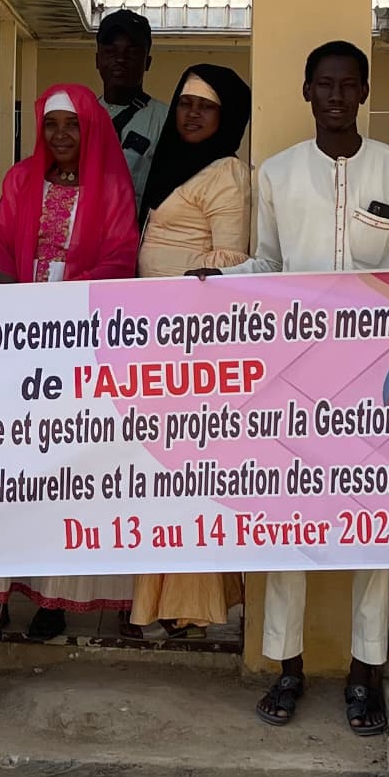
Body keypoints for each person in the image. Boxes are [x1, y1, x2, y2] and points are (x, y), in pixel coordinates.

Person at [235, 39, 389, 737]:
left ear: (366, 90)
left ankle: (364, 673)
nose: (338, 97)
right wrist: (213, 289)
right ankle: (286, 666)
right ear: (306, 91)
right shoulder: (279, 174)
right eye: (325, 85)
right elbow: (264, 263)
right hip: (298, 376)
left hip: (380, 378)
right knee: (291, 521)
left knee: (375, 524)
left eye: (350, 85)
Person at [0, 87, 140, 650]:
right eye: (51, 124)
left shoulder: (111, 188)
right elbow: (1, 257)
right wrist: (22, 321)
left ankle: (51, 598)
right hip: (17, 342)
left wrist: (69, 304)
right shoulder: (19, 181)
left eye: (73, 125)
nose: (61, 136)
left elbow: (121, 259)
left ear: (91, 129)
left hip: (80, 345)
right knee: (3, 471)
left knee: (64, 475)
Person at [131, 62, 255, 638]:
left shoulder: (227, 173)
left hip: (194, 348)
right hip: (152, 344)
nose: (191, 114)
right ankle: (160, 598)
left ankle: (193, 603)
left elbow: (231, 258)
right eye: (184, 103)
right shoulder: (171, 164)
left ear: (226, 117)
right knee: (159, 477)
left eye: (206, 107)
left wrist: (180, 289)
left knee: (188, 477)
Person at [94, 9, 169, 202]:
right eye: (111, 51)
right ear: (97, 60)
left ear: (148, 62)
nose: (120, 59)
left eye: (132, 52)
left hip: (139, 231)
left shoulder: (166, 121)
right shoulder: (78, 117)